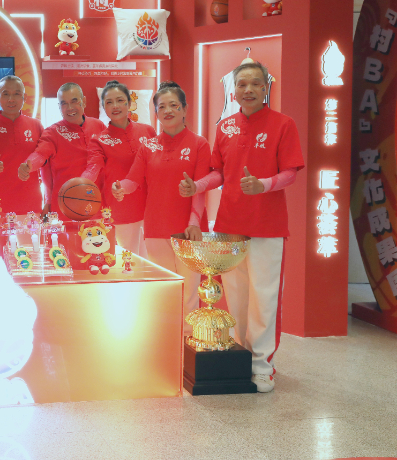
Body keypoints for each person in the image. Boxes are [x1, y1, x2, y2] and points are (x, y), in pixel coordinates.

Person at [179, 62, 304, 393]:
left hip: (267, 225)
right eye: (242, 84)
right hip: (230, 227)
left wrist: (263, 185)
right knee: (236, 296)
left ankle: (262, 365)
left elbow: (291, 172)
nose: (248, 90)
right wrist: (197, 186)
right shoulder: (225, 127)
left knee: (264, 296)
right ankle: (242, 357)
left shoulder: (283, 124)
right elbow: (219, 173)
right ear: (233, 91)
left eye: (255, 83)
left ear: (265, 88)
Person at [111, 81, 208, 327]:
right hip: (155, 228)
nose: (167, 111)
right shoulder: (148, 145)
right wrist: (120, 187)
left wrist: (194, 222)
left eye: (173, 105)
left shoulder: (199, 144)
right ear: (155, 113)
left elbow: (200, 188)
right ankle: (166, 340)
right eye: (161, 107)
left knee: (189, 293)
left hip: (189, 231)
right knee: (165, 289)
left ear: (184, 109)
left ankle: (187, 342)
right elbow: (133, 180)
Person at [83, 80, 156, 257]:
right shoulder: (99, 140)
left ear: (129, 103)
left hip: (152, 207)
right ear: (104, 107)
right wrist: (81, 182)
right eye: (109, 102)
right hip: (121, 209)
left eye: (120, 100)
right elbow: (94, 166)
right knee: (129, 261)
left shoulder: (148, 131)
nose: (115, 106)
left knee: (154, 261)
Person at [18, 83, 106, 220]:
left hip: (96, 206)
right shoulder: (53, 132)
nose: (69, 108)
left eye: (74, 101)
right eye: (64, 103)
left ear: (84, 101)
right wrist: (28, 165)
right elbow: (40, 154)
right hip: (64, 208)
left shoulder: (99, 126)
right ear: (59, 107)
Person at [0, 75, 44, 215]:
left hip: (31, 204)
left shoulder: (36, 126)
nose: (11, 99)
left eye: (16, 94)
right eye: (5, 94)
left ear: (24, 97)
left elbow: (45, 158)